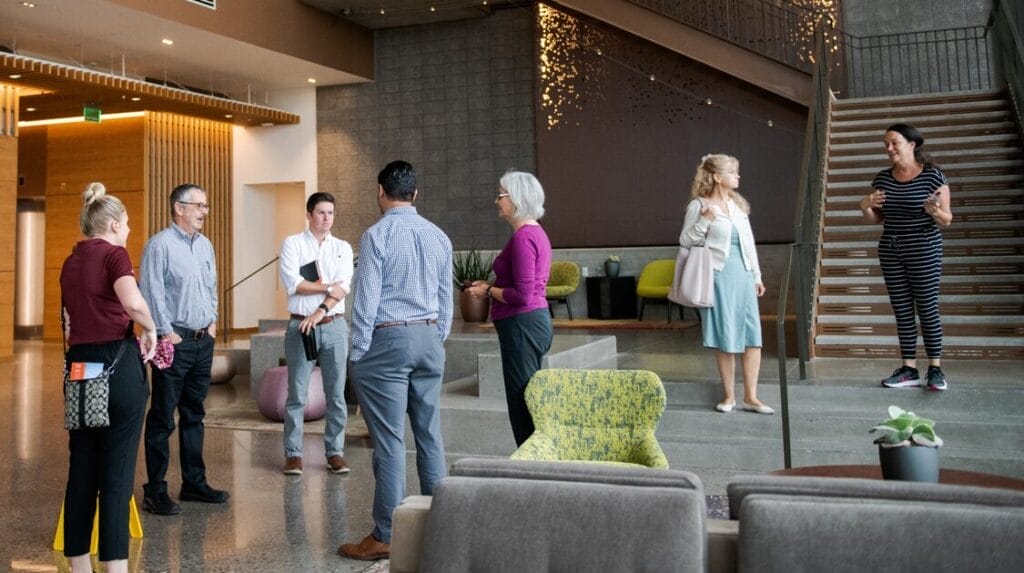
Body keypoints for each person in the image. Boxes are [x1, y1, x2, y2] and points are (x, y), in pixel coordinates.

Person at [338, 160, 453, 561]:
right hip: (429, 338)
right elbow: (446, 299)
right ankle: (440, 529)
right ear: (415, 194)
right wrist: (435, 336)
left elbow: (366, 299)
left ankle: (387, 534)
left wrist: (358, 352)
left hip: (387, 341)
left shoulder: (376, 235)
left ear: (380, 192)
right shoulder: (439, 236)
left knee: (389, 442)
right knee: (429, 435)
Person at [59, 183, 158, 573]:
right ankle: (115, 568)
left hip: (79, 367)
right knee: (116, 474)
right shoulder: (115, 255)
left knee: (81, 470)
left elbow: (69, 323)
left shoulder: (71, 261)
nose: (129, 229)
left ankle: (80, 566)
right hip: (117, 365)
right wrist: (151, 328)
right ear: (114, 224)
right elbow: (132, 302)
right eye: (127, 223)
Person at [139, 183, 229, 515]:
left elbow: (212, 286)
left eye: (206, 205)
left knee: (195, 414)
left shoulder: (205, 245)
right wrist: (165, 332)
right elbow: (151, 292)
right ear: (179, 208)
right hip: (173, 342)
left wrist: (213, 323)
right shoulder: (159, 245)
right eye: (199, 205)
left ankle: (194, 483)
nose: (205, 211)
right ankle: (155, 490)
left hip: (202, 341)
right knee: (163, 417)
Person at [860, 123, 952, 391]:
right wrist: (865, 206)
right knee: (902, 310)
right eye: (886, 144)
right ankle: (908, 369)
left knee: (927, 307)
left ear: (911, 145)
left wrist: (934, 211)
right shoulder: (882, 179)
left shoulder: (933, 176)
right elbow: (876, 219)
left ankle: (935, 369)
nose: (889, 148)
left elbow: (946, 219)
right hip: (891, 249)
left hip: (924, 248)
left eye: (894, 143)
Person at [680, 154, 773, 415]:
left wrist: (756, 275)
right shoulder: (698, 206)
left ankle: (751, 397)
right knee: (726, 336)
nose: (738, 176)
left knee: (752, 337)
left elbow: (749, 243)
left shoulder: (738, 205)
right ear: (718, 177)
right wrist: (705, 220)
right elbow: (685, 240)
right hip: (718, 276)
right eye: (733, 172)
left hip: (743, 274)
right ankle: (729, 396)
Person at [465, 170, 553, 446]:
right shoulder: (534, 233)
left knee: (522, 402)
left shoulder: (524, 237)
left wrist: (488, 290)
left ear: (517, 198)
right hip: (530, 322)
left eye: (501, 195)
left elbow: (523, 295)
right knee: (528, 398)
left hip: (522, 325)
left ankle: (530, 461)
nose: (497, 201)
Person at [278, 192, 354, 475]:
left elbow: (343, 288)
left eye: (330, 213)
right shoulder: (293, 244)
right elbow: (294, 283)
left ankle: (335, 452)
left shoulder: (343, 247)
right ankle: (293, 454)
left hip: (334, 326)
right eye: (321, 212)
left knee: (336, 394)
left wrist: (320, 309)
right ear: (309, 214)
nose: (326, 218)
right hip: (300, 327)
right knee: (297, 394)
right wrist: (327, 287)